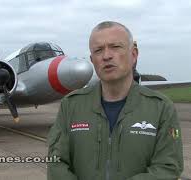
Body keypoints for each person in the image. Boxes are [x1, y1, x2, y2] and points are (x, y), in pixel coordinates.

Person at [47, 21, 183, 180]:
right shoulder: (70, 105)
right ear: (92, 60)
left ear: (134, 55)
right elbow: (56, 162)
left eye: (115, 47)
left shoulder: (161, 107)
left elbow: (168, 167)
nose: (106, 56)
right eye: (98, 50)